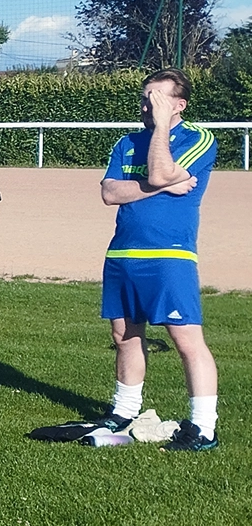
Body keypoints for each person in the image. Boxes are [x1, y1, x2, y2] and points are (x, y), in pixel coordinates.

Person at [97, 70, 221, 451]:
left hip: (170, 257)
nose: (147, 105)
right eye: (145, 97)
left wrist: (163, 133)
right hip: (122, 253)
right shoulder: (127, 141)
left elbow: (160, 169)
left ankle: (203, 428)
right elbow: (109, 192)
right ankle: (125, 410)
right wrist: (161, 185)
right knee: (125, 337)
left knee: (186, 340)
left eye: (157, 98)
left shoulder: (198, 138)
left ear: (179, 105)